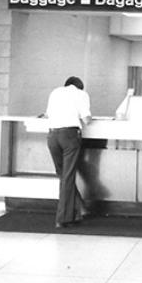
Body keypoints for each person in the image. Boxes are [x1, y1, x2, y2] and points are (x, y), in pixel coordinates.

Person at [44, 76, 91, 228]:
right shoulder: (81, 94)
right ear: (79, 86)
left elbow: (48, 114)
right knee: (68, 176)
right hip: (69, 136)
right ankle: (63, 218)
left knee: (63, 174)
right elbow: (87, 120)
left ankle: (77, 210)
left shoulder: (55, 92)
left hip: (52, 136)